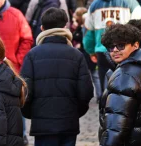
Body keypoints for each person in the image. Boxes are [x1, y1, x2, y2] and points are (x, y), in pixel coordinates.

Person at [21, 8, 93, 146]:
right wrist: (75, 112)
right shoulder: (76, 55)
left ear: (42, 28)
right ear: (65, 27)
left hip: (42, 124)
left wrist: (32, 113)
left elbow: (25, 92)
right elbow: (86, 92)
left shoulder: (32, 55)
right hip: (68, 122)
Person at [98, 23, 141, 146]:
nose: (115, 50)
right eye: (111, 47)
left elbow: (116, 126)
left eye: (121, 45)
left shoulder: (125, 75)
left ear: (135, 45)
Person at [84, 0, 141, 89]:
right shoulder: (131, 3)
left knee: (106, 89)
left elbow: (88, 32)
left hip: (102, 51)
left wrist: (91, 51)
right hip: (126, 53)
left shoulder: (95, 4)